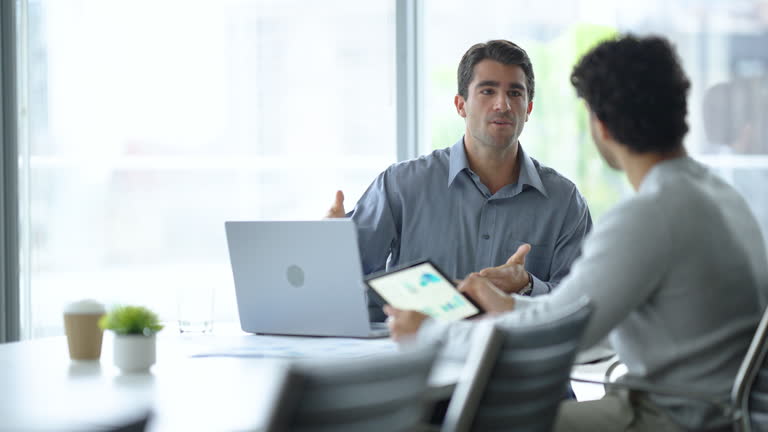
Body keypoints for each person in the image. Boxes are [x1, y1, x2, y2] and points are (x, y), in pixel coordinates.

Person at [385, 35, 768, 431]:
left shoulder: (649, 216)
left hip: (668, 417)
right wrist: (507, 304)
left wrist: (431, 333)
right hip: (714, 411)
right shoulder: (720, 197)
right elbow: (572, 312)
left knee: (466, 421)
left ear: (600, 126)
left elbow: (560, 336)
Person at [327, 40, 592, 322]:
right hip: (416, 358)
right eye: (488, 91)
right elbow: (346, 283)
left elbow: (582, 305)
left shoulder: (564, 201)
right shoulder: (401, 185)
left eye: (515, 93)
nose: (503, 104)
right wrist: (328, 247)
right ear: (460, 105)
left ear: (528, 109)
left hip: (517, 360)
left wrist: (527, 284)